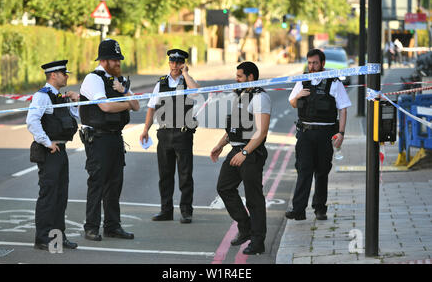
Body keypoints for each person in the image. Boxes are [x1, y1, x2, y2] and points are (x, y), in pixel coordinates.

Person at [79, 39, 140, 241]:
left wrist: (124, 92)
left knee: (115, 183)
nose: (119, 64)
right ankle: (91, 227)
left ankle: (113, 226)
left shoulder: (118, 80)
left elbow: (137, 105)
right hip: (98, 139)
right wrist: (126, 103)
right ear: (105, 60)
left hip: (115, 138)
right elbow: (105, 107)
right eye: (116, 61)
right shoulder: (93, 79)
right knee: (97, 183)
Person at [210, 61, 271, 255]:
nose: (235, 79)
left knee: (254, 198)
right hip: (236, 149)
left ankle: (258, 241)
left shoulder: (261, 98)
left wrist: (245, 153)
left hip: (251, 153)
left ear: (250, 77)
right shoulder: (240, 96)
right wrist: (220, 145)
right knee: (224, 187)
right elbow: (234, 129)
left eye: (239, 76)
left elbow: (261, 132)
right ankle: (245, 227)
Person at [286, 48, 351, 221]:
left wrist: (341, 133)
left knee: (322, 172)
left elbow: (343, 109)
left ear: (322, 63)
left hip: (325, 134)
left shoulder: (334, 82)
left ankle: (320, 209)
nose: (312, 66)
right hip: (305, 133)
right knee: (303, 170)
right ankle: (298, 210)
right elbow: (293, 103)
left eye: (315, 63)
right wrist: (298, 95)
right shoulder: (302, 80)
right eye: (309, 63)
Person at [139, 49, 200, 224]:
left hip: (183, 134)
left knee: (185, 175)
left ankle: (186, 211)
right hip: (164, 134)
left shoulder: (187, 82)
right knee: (165, 175)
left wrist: (186, 73)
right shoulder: (161, 83)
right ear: (169, 63)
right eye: (172, 62)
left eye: (178, 62)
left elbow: (195, 92)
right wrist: (145, 129)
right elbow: (152, 107)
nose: (175, 65)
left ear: (183, 64)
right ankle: (166, 210)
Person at [26, 60, 79, 251]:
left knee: (60, 196)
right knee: (48, 195)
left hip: (60, 149)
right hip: (50, 151)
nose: (67, 76)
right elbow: (32, 121)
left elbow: (73, 117)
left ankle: (57, 237)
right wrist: (47, 142)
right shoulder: (42, 96)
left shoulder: (59, 96)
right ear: (54, 75)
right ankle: (42, 238)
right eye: (64, 73)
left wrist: (75, 102)